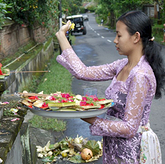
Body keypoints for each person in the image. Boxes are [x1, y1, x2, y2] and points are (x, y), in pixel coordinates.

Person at [55, 10, 165, 164]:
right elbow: (82, 72)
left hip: (131, 154)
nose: (115, 40)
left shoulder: (140, 75)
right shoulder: (121, 66)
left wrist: (91, 118)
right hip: (114, 147)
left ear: (136, 37)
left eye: (119, 35)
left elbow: (129, 128)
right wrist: (61, 36)